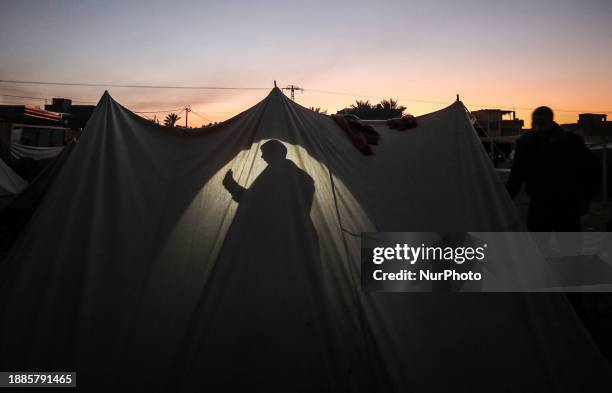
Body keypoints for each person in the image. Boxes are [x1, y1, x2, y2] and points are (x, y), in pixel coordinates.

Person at [506, 106, 600, 232]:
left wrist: (585, 198)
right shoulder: (526, 143)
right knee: (538, 246)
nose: (538, 128)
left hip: (567, 204)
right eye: (535, 124)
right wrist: (504, 199)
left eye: (542, 124)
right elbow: (516, 176)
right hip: (539, 204)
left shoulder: (570, 141)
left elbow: (590, 169)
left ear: (551, 122)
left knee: (569, 247)